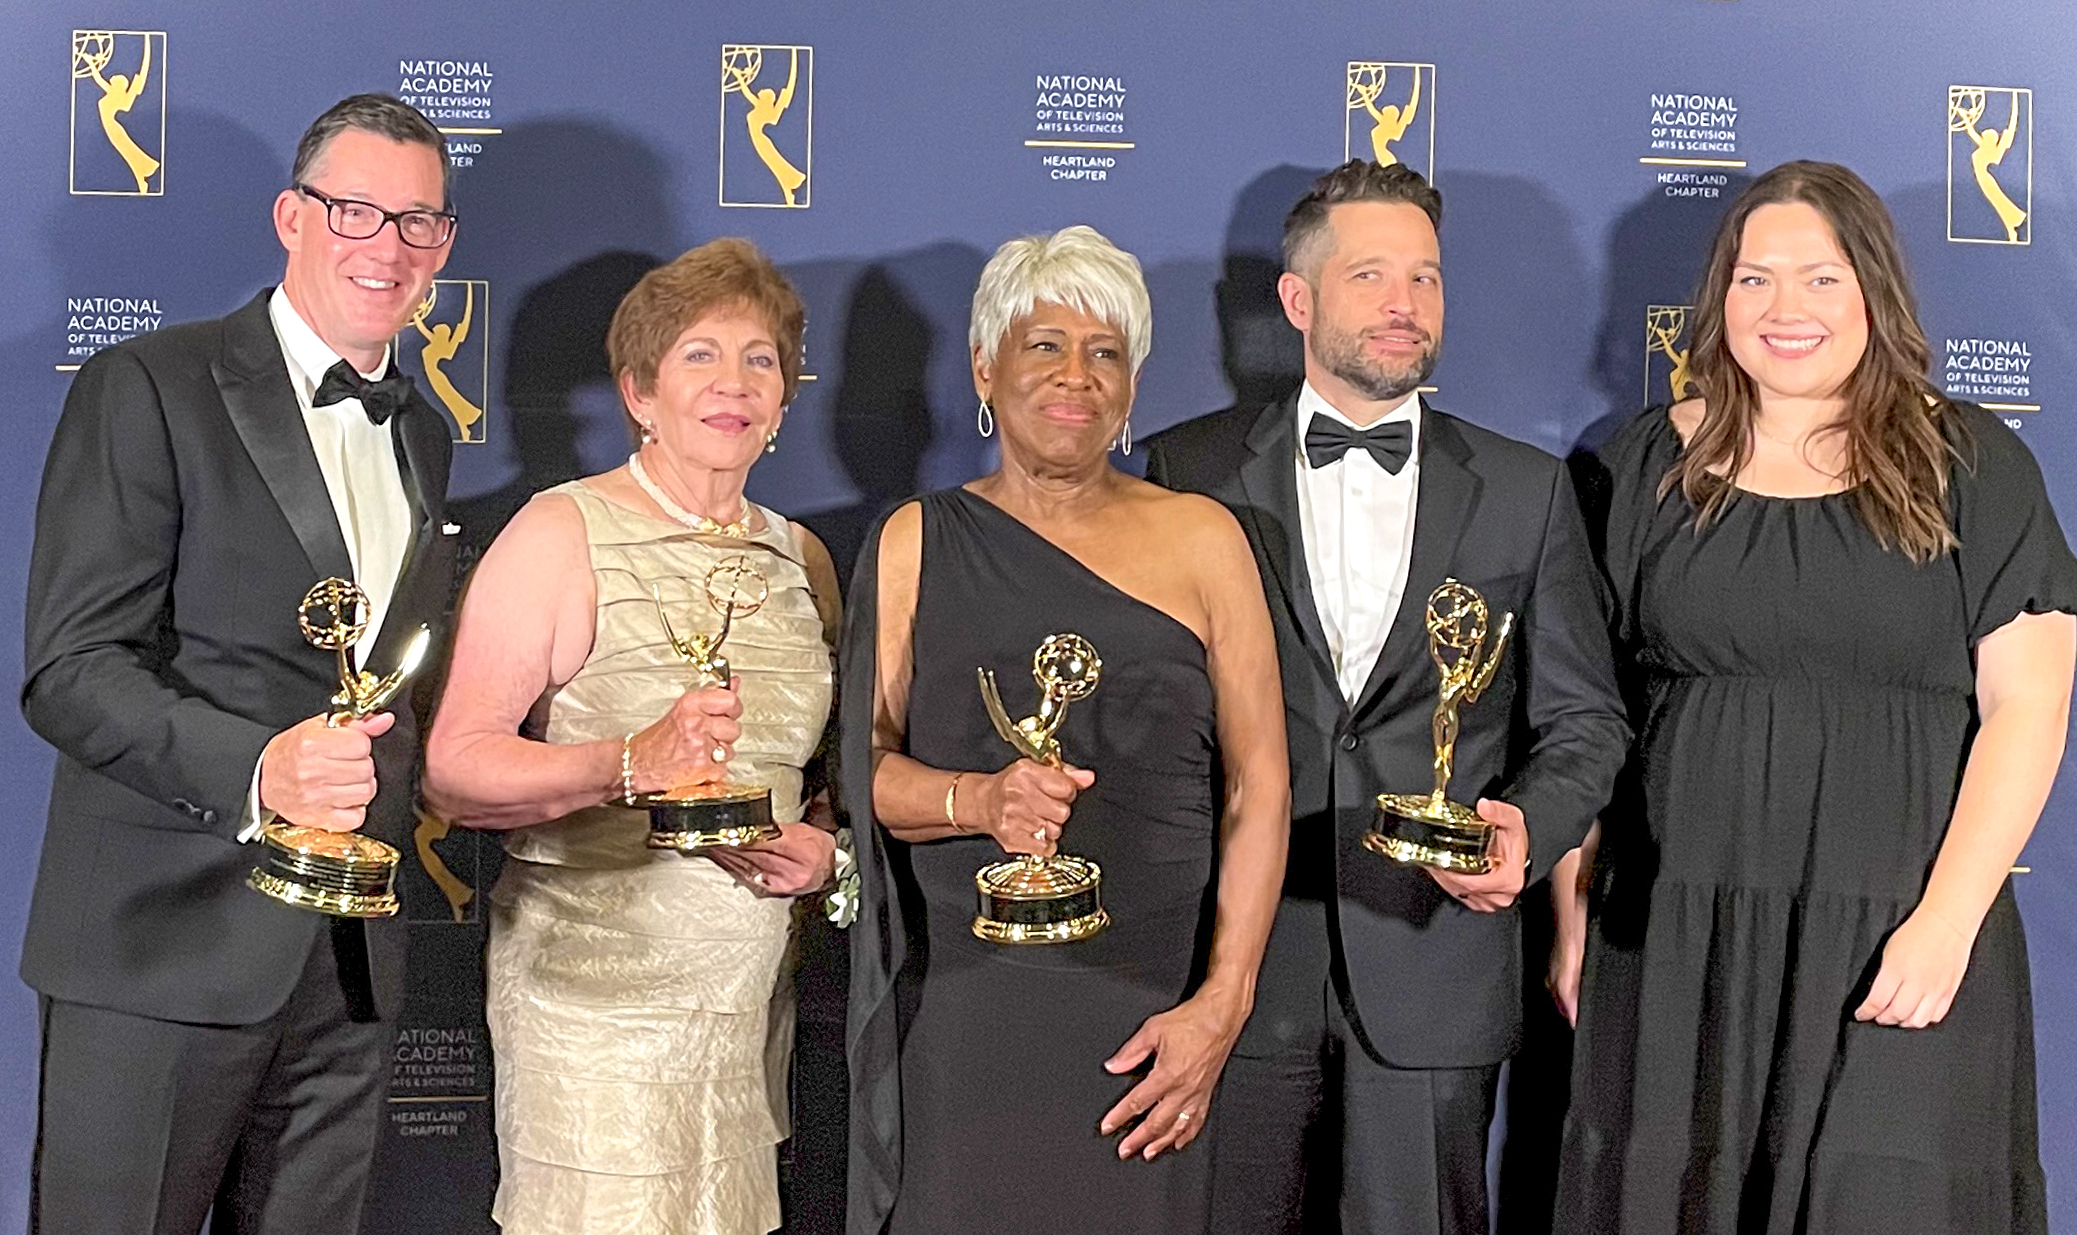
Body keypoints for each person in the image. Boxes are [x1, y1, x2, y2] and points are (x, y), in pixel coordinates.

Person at [1550, 160, 2071, 1234]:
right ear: (1719, 297)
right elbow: (1582, 715)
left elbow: (2028, 704)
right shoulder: (1641, 466)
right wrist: (1569, 915)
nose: (1784, 307)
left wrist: (1947, 922)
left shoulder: (1972, 462)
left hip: (1897, 931)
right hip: (1674, 937)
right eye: (1755, 278)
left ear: (1874, 291)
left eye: (1821, 278)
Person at [1142, 160, 1629, 1235]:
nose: (1404, 302)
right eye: (1369, 275)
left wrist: (1527, 831)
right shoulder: (1185, 470)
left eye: (1425, 276)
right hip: (1231, 971)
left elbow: (1585, 720)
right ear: (1297, 299)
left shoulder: (1527, 489)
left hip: (1435, 962)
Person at [20, 94, 459, 1234]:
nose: (387, 245)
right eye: (355, 209)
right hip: (159, 947)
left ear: (443, 244)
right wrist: (263, 768)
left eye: (418, 221)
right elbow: (71, 666)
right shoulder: (149, 384)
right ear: (291, 217)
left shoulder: (422, 430)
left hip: (347, 966)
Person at [842, 225, 1290, 1235]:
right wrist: (977, 799)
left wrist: (1222, 1002)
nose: (1075, 376)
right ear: (984, 367)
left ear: (1131, 386)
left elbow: (1260, 781)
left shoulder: (1205, 538)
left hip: (1153, 1011)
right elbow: (861, 769)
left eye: (1105, 352)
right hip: (965, 1008)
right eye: (1044, 344)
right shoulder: (915, 541)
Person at [423, 237, 840, 1235]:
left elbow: (826, 779)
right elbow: (453, 769)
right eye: (700, 354)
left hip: (745, 1005)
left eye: (760, 358)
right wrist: (626, 764)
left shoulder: (803, 558)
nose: (734, 381)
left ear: (783, 398)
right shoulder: (559, 532)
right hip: (590, 1005)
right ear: (639, 392)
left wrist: (827, 849)